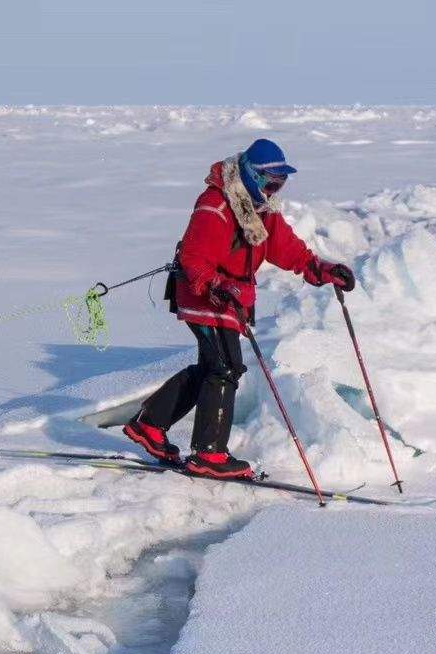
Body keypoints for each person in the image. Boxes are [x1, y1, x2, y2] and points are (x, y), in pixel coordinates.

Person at [123, 139, 354, 479]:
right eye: (271, 181)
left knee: (212, 367)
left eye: (282, 182)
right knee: (225, 367)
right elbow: (193, 259)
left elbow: (286, 249)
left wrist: (321, 269)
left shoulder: (262, 209)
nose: (276, 188)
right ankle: (208, 455)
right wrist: (218, 286)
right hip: (203, 295)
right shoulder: (215, 205)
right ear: (250, 175)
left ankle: (150, 425)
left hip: (230, 298)